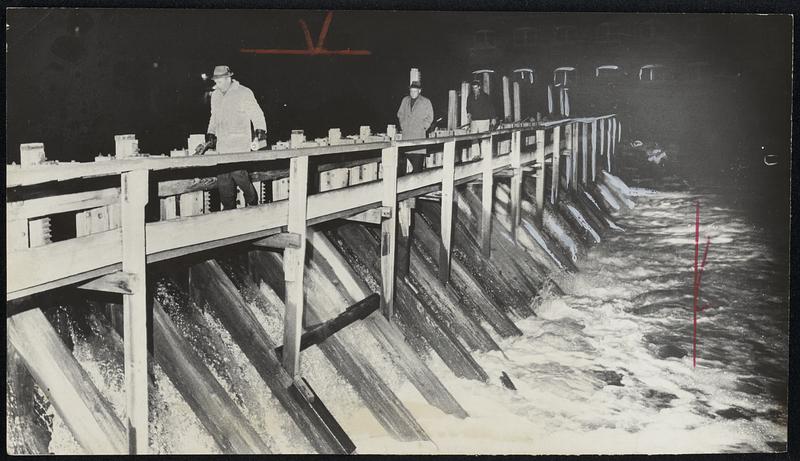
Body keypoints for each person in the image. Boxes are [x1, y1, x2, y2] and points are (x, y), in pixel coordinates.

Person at [195, 65, 268, 210]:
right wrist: (210, 134)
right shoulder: (215, 95)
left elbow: (257, 114)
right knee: (223, 180)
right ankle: (229, 212)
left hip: (239, 145)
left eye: (220, 80)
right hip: (223, 146)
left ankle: (253, 205)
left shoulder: (243, 93)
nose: (217, 83)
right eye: (215, 80)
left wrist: (260, 133)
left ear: (228, 78)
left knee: (238, 174)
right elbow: (214, 117)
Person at [396, 80, 433, 174]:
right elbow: (400, 114)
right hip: (406, 137)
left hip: (418, 138)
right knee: (403, 169)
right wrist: (403, 125)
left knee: (417, 169)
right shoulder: (405, 100)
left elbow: (430, 117)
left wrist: (423, 127)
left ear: (419, 91)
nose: (412, 93)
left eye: (415, 91)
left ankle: (417, 187)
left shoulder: (426, 101)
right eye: (411, 91)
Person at [466, 79, 497, 159]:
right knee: (474, 138)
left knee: (484, 138)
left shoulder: (486, 96)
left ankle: (485, 155)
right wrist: (468, 112)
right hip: (474, 121)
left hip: (484, 120)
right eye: (473, 88)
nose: (474, 90)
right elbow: (468, 106)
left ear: (479, 87)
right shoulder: (470, 97)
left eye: (476, 88)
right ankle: (476, 155)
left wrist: (493, 118)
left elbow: (491, 108)